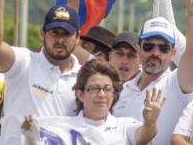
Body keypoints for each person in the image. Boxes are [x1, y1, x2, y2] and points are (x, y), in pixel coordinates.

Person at [0, 0, 81, 144]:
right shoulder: (24, 62)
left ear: (78, 37)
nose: (60, 40)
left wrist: (73, 3)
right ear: (43, 34)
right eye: (54, 33)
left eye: (66, 34)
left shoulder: (85, 77)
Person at [113, 0, 193, 144]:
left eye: (163, 48)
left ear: (173, 53)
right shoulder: (121, 91)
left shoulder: (177, 84)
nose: (155, 53)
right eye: (149, 46)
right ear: (139, 49)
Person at [21, 59, 164, 144]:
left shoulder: (124, 126)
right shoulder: (61, 129)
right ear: (80, 94)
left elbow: (143, 136)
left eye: (107, 89)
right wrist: (31, 136)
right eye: (95, 89)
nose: (102, 94)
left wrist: (150, 122)